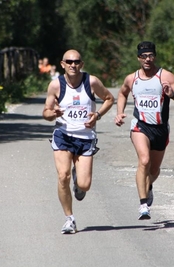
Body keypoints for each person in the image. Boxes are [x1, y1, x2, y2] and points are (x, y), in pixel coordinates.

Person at [114, 41, 174, 220]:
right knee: (144, 160)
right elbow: (123, 93)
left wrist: (172, 94)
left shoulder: (165, 76)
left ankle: (147, 187)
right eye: (143, 56)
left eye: (150, 56)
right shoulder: (132, 78)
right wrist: (119, 112)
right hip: (140, 126)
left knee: (154, 171)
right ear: (138, 58)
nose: (147, 59)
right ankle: (143, 205)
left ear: (154, 56)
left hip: (161, 129)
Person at [42, 49, 115, 234]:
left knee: (84, 185)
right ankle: (69, 219)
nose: (73, 65)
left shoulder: (91, 82)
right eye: (69, 61)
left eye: (76, 62)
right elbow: (46, 112)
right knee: (62, 175)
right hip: (63, 135)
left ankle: (78, 179)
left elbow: (109, 98)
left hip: (85, 137)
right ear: (62, 64)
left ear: (81, 64)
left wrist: (97, 115)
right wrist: (53, 114)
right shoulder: (55, 85)